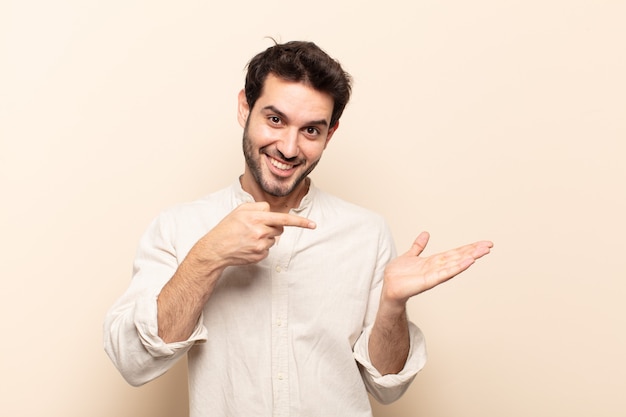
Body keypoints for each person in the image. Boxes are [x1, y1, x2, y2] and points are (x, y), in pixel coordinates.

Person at [103, 40, 493, 417]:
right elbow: (132, 362)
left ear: (330, 133)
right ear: (244, 108)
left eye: (311, 130)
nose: (289, 148)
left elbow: (388, 386)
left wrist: (392, 305)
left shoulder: (367, 233)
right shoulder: (179, 226)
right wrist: (208, 256)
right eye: (275, 120)